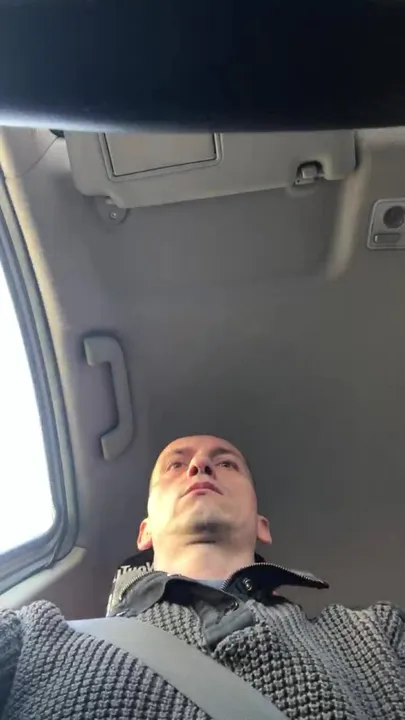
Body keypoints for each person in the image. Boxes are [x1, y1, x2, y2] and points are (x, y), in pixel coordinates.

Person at [1, 435, 404, 720]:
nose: (200, 466)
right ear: (145, 532)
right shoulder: (34, 639)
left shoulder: (375, 633)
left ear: (261, 525)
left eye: (226, 464)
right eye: (176, 465)